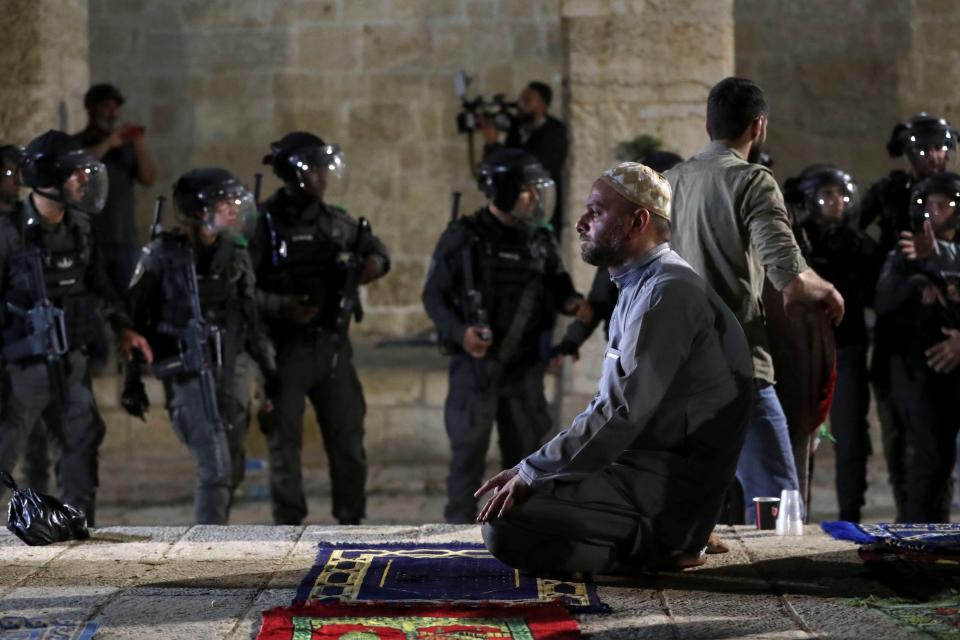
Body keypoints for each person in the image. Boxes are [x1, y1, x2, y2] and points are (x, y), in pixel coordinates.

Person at [477, 162, 753, 575]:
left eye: (596, 211)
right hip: (639, 469)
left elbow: (620, 413)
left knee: (504, 526)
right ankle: (669, 536)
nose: (581, 223)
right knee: (519, 498)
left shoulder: (667, 292)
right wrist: (532, 468)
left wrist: (533, 470)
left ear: (637, 221)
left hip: (667, 484)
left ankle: (672, 542)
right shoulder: (638, 284)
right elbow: (613, 405)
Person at [665, 77, 844, 524]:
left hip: (675, 366)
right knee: (776, 498)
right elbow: (792, 281)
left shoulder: (669, 182)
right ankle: (773, 577)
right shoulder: (751, 180)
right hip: (735, 364)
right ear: (759, 127)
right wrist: (829, 289)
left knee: (693, 490)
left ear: (708, 124)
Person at [422, 148, 584, 524]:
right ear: (506, 190)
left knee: (528, 462)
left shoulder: (539, 240)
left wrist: (576, 305)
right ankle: (458, 538)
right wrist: (461, 334)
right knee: (467, 460)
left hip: (524, 370)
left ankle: (521, 532)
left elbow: (560, 290)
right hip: (475, 370)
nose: (534, 197)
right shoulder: (464, 236)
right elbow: (434, 295)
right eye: (527, 189)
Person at [0, 130, 152, 526]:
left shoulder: (80, 228)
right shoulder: (8, 232)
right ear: (50, 180)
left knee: (82, 446)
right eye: (75, 174)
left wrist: (123, 329)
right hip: (19, 370)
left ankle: (75, 535)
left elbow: (98, 285)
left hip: (70, 362)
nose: (84, 181)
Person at [122, 168, 278, 524]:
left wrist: (270, 372)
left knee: (232, 465)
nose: (233, 209)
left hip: (231, 368)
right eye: (225, 202)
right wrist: (132, 380)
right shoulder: (161, 255)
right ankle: (207, 547)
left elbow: (251, 318)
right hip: (188, 370)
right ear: (199, 208)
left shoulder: (234, 254)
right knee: (215, 466)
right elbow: (135, 320)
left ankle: (216, 531)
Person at [251, 132, 390, 526]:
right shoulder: (264, 225)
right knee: (284, 448)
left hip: (331, 348)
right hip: (281, 351)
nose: (322, 177)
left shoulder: (334, 222)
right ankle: (288, 530)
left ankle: (352, 523)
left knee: (348, 442)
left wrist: (370, 267)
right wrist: (280, 306)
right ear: (292, 174)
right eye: (313, 169)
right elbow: (240, 289)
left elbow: (378, 251)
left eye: (324, 168)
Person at [859, 113, 957, 521]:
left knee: (936, 452)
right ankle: (912, 531)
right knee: (904, 448)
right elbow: (864, 261)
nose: (934, 156)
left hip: (946, 341)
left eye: (941, 148)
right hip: (900, 342)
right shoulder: (889, 195)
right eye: (924, 149)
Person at [783, 164, 881, 522]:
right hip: (806, 351)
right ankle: (798, 512)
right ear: (811, 200)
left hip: (848, 346)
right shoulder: (795, 242)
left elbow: (875, 295)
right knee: (802, 432)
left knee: (851, 433)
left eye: (842, 195)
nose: (836, 202)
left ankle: (849, 513)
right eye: (827, 195)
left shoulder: (859, 244)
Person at [553, 150, 684, 362]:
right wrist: (571, 341)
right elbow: (599, 298)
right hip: (627, 353)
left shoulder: (686, 240)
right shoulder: (625, 241)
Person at [0, 144, 53, 493]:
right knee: (10, 439)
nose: (17, 179)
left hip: (31, 347)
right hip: (10, 351)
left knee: (39, 451)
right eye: (9, 172)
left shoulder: (24, 221)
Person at [74, 83, 157, 296]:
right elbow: (80, 166)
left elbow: (148, 178)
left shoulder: (125, 148)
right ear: (92, 108)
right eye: (106, 106)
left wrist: (138, 143)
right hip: (91, 240)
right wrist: (108, 143)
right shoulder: (78, 142)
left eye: (115, 107)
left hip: (125, 239)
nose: (112, 113)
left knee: (127, 298)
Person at [481, 81, 568, 237]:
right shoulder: (517, 129)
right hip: (514, 212)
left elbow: (528, 167)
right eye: (520, 100)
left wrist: (493, 144)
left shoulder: (555, 131)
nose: (520, 105)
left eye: (527, 100)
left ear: (543, 105)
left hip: (542, 215)